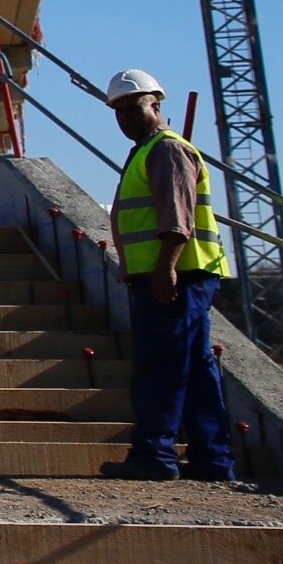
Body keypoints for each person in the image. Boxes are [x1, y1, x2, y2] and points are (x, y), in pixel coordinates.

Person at [97, 68, 236, 482]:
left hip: (175, 276)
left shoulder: (166, 150)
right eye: (118, 111)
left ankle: (155, 455)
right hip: (182, 274)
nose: (125, 118)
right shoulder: (149, 150)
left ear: (155, 105)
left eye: (133, 107)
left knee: (161, 366)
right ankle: (213, 460)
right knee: (193, 367)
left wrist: (164, 270)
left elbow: (177, 220)